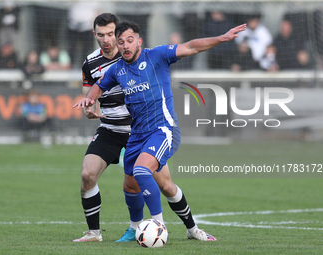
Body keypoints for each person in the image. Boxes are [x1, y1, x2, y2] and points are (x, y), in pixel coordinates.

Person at [74, 19, 246, 242]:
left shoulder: (156, 56)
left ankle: (158, 227)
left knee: (142, 172)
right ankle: (168, 230)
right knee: (136, 185)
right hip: (136, 134)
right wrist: (89, 101)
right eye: (121, 42)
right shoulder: (117, 69)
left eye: (129, 40)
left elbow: (192, 46)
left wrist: (221, 38)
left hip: (163, 129)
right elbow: (98, 87)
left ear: (139, 41)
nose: (125, 46)